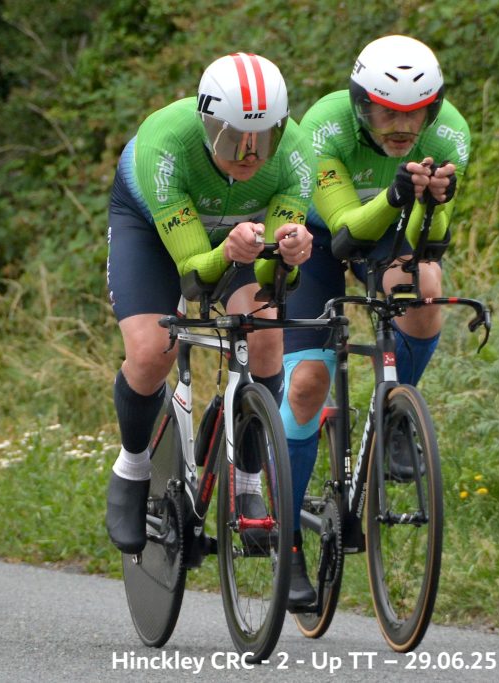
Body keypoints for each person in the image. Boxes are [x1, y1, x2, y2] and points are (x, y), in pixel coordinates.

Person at [281, 35, 471, 608]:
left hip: (388, 229)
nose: (402, 126)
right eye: (386, 111)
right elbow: (343, 233)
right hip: (316, 237)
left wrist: (433, 205)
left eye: (416, 114)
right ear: (361, 103)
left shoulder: (450, 133)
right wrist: (394, 195)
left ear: (434, 109)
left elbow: (430, 244)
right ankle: (287, 540)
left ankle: (394, 415)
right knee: (307, 382)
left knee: (425, 288)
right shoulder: (325, 126)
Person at [104, 53, 314, 556]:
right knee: (151, 351)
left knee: (266, 339)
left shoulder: (295, 153)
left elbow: (271, 278)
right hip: (155, 231)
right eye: (233, 137)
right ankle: (132, 465)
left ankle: (248, 481)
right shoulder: (165, 143)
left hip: (240, 232)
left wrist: (290, 256)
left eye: (263, 138)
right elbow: (194, 276)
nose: (249, 153)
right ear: (207, 124)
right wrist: (227, 253)